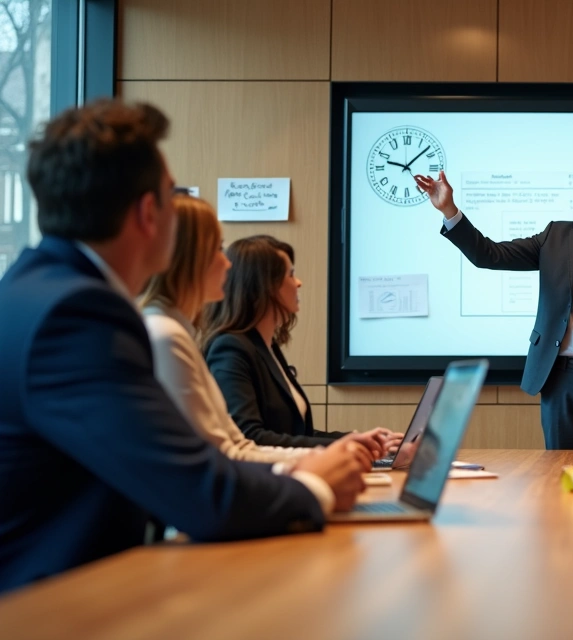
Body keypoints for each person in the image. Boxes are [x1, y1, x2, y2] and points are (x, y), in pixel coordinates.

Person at [0, 100, 371, 594]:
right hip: (53, 606)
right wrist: (314, 484)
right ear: (148, 213)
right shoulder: (77, 315)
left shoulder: (33, 292)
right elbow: (198, 492)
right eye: (173, 197)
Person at [414, 146, 573, 449]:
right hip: (561, 381)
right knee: (559, 471)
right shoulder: (555, 236)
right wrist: (449, 210)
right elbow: (489, 254)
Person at [141, 195, 403, 464]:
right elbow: (243, 443)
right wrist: (343, 455)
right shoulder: (201, 342)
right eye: (290, 274)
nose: (227, 263)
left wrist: (356, 444)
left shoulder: (262, 346)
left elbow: (253, 442)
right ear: (263, 285)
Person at [200, 235, 404, 451]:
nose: (299, 283)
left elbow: (298, 435)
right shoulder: (230, 349)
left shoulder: (268, 347)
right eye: (290, 274)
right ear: (264, 286)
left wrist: (360, 440)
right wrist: (350, 446)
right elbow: (250, 437)